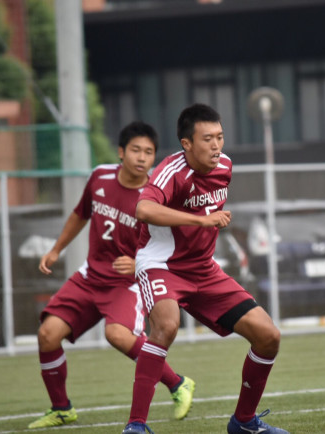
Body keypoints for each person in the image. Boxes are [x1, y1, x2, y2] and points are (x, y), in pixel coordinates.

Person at [121, 103, 288, 434]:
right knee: (166, 327)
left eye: (220, 137)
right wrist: (201, 219)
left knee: (268, 336)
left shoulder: (225, 165)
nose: (216, 146)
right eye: (207, 138)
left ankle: (244, 422)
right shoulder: (171, 171)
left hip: (204, 270)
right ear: (187, 144)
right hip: (161, 266)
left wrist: (205, 223)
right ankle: (136, 426)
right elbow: (143, 209)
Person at [28, 121, 195, 429]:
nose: (142, 157)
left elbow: (173, 243)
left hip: (127, 283)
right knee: (47, 335)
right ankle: (62, 408)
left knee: (117, 334)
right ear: (121, 152)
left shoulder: (155, 197)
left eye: (149, 152)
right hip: (91, 276)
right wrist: (56, 250)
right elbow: (80, 213)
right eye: (136, 150)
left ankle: (177, 383)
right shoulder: (100, 177)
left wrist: (137, 263)